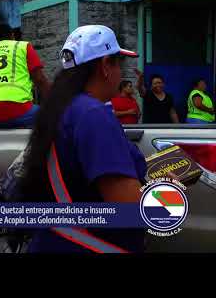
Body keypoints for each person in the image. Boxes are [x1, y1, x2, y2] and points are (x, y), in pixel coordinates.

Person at [21, 25, 147, 253]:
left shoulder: (62, 108)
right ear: (106, 65)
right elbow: (129, 210)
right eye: (119, 63)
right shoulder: (93, 115)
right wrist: (170, 186)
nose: (122, 73)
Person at [0, 24, 51, 128]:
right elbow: (40, 80)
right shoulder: (22, 47)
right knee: (51, 116)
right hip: (16, 110)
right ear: (12, 36)